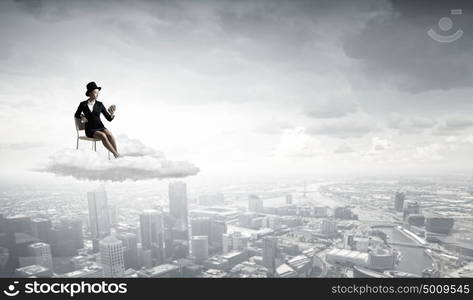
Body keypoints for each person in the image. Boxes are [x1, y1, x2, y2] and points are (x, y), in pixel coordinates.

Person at [74, 81, 120, 158]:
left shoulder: (100, 104)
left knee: (110, 135)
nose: (97, 94)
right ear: (90, 93)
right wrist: (82, 117)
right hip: (90, 129)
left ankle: (116, 154)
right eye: (95, 92)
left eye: (98, 92)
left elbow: (109, 118)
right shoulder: (83, 104)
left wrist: (112, 113)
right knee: (103, 135)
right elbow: (76, 114)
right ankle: (116, 154)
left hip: (100, 126)